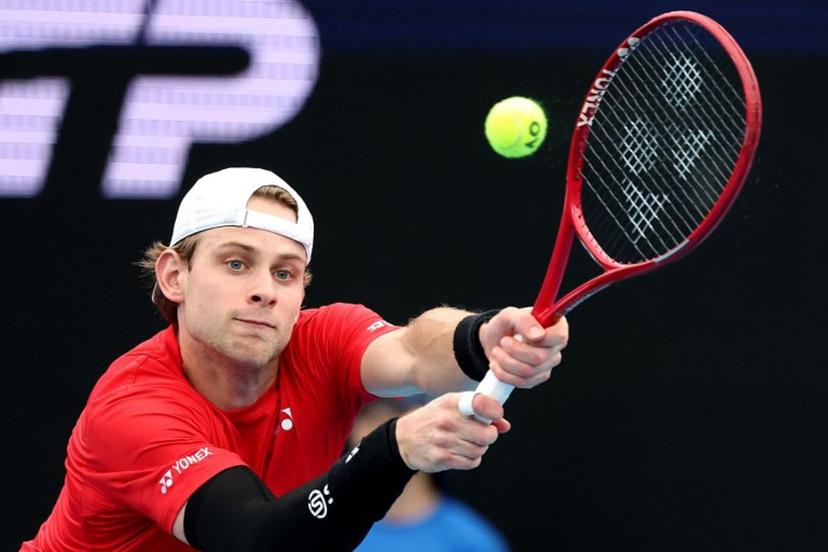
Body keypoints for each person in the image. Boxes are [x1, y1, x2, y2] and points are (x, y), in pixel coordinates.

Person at [21, 167, 569, 551]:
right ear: (174, 276)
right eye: (236, 264)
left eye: (285, 273)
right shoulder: (134, 409)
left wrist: (484, 337)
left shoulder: (321, 341)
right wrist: (394, 449)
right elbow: (257, 541)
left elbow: (412, 349)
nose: (265, 290)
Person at [351, 398, 510, 551]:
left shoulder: (471, 542)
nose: (376, 436)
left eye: (392, 421)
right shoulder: (338, 525)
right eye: (370, 419)